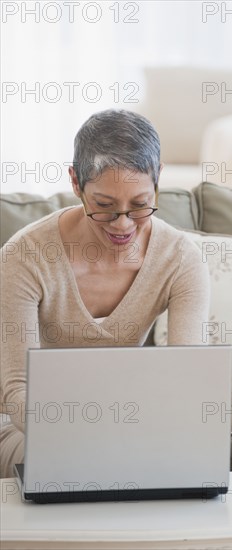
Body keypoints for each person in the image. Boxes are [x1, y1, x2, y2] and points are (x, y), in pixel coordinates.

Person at [0, 109, 210, 478]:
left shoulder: (180, 260)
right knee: (67, 463)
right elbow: (17, 389)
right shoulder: (25, 256)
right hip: (28, 428)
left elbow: (187, 376)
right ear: (76, 183)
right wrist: (90, 434)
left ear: (158, 178)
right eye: (104, 206)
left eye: (140, 205)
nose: (123, 225)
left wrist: (146, 429)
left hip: (127, 423)